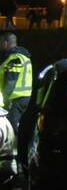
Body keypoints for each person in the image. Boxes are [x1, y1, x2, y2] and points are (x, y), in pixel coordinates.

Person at [0, 31, 32, 169]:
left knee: (12, 131)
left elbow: (10, 82)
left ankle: (17, 162)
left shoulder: (15, 58)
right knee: (15, 129)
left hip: (16, 98)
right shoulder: (21, 56)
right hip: (21, 98)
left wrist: (5, 103)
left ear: (6, 42)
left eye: (1, 42)